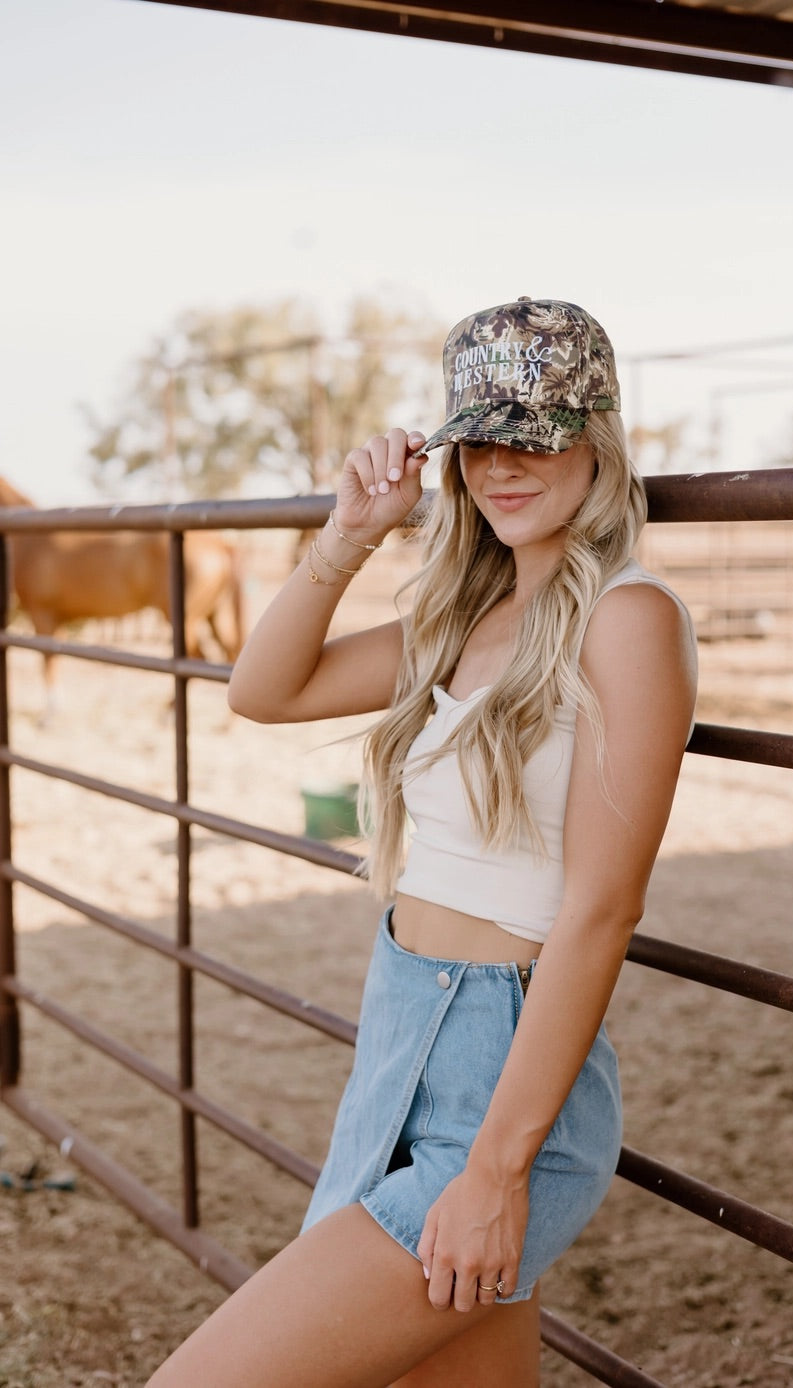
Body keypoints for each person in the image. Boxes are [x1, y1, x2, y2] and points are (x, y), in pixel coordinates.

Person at [146, 297, 698, 1388]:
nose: (501, 462)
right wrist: (350, 531)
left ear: (597, 434)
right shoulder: (461, 620)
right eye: (479, 435)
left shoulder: (628, 621)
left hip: (499, 1086)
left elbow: (599, 911)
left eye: (533, 433)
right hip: (401, 1040)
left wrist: (495, 1170)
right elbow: (263, 689)